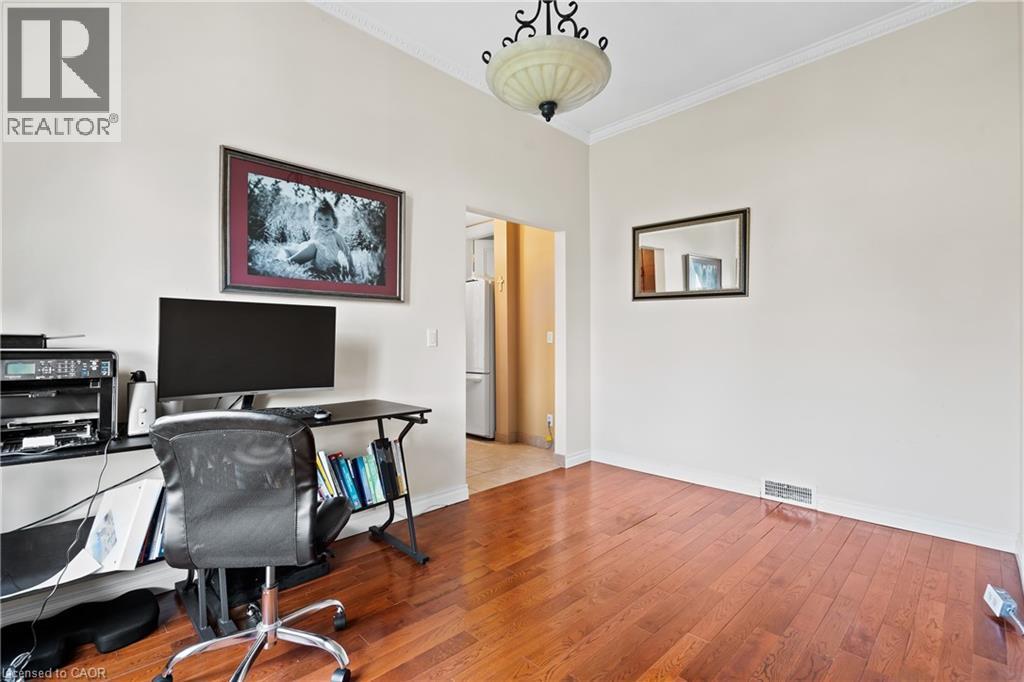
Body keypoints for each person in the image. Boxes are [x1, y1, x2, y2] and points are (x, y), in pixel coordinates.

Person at [279, 198, 353, 279]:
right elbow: (309, 249)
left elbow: (347, 252)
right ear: (315, 219)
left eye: (327, 219)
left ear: (334, 221)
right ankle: (279, 260)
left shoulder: (335, 235)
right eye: (320, 219)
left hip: (327, 262)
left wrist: (351, 269)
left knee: (314, 245)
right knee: (287, 249)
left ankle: (289, 262)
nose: (323, 222)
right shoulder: (316, 232)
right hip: (315, 260)